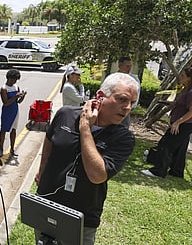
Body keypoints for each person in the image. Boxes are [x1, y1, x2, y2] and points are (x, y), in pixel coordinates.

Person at [35, 73, 139, 245]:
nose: (127, 107)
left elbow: (97, 175)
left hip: (82, 217)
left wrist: (85, 128)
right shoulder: (65, 114)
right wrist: (41, 172)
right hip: (47, 204)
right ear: (100, 96)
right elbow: (48, 144)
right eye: (122, 99)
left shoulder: (123, 138)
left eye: (131, 103)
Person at [141, 67, 192, 178]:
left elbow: (191, 112)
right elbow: (181, 104)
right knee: (180, 148)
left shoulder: (191, 93)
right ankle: (176, 171)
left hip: (183, 124)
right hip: (183, 124)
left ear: (189, 78)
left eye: (183, 76)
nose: (181, 77)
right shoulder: (185, 90)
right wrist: (168, 103)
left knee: (166, 144)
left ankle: (158, 171)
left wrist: (178, 123)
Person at [0, 69, 26, 156]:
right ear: (8, 78)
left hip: (15, 110)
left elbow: (18, 101)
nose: (14, 81)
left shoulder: (16, 87)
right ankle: (1, 149)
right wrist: (15, 96)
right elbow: (6, 103)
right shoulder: (4, 89)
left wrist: (23, 96)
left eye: (16, 80)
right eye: (13, 79)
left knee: (13, 130)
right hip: (7, 111)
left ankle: (12, 149)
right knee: (3, 129)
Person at [117, 56, 141, 128]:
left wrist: (131, 106)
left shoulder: (134, 79)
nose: (129, 68)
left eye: (130, 66)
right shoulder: (113, 77)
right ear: (120, 65)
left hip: (126, 109)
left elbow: (137, 93)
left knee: (123, 129)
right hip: (112, 107)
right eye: (127, 66)